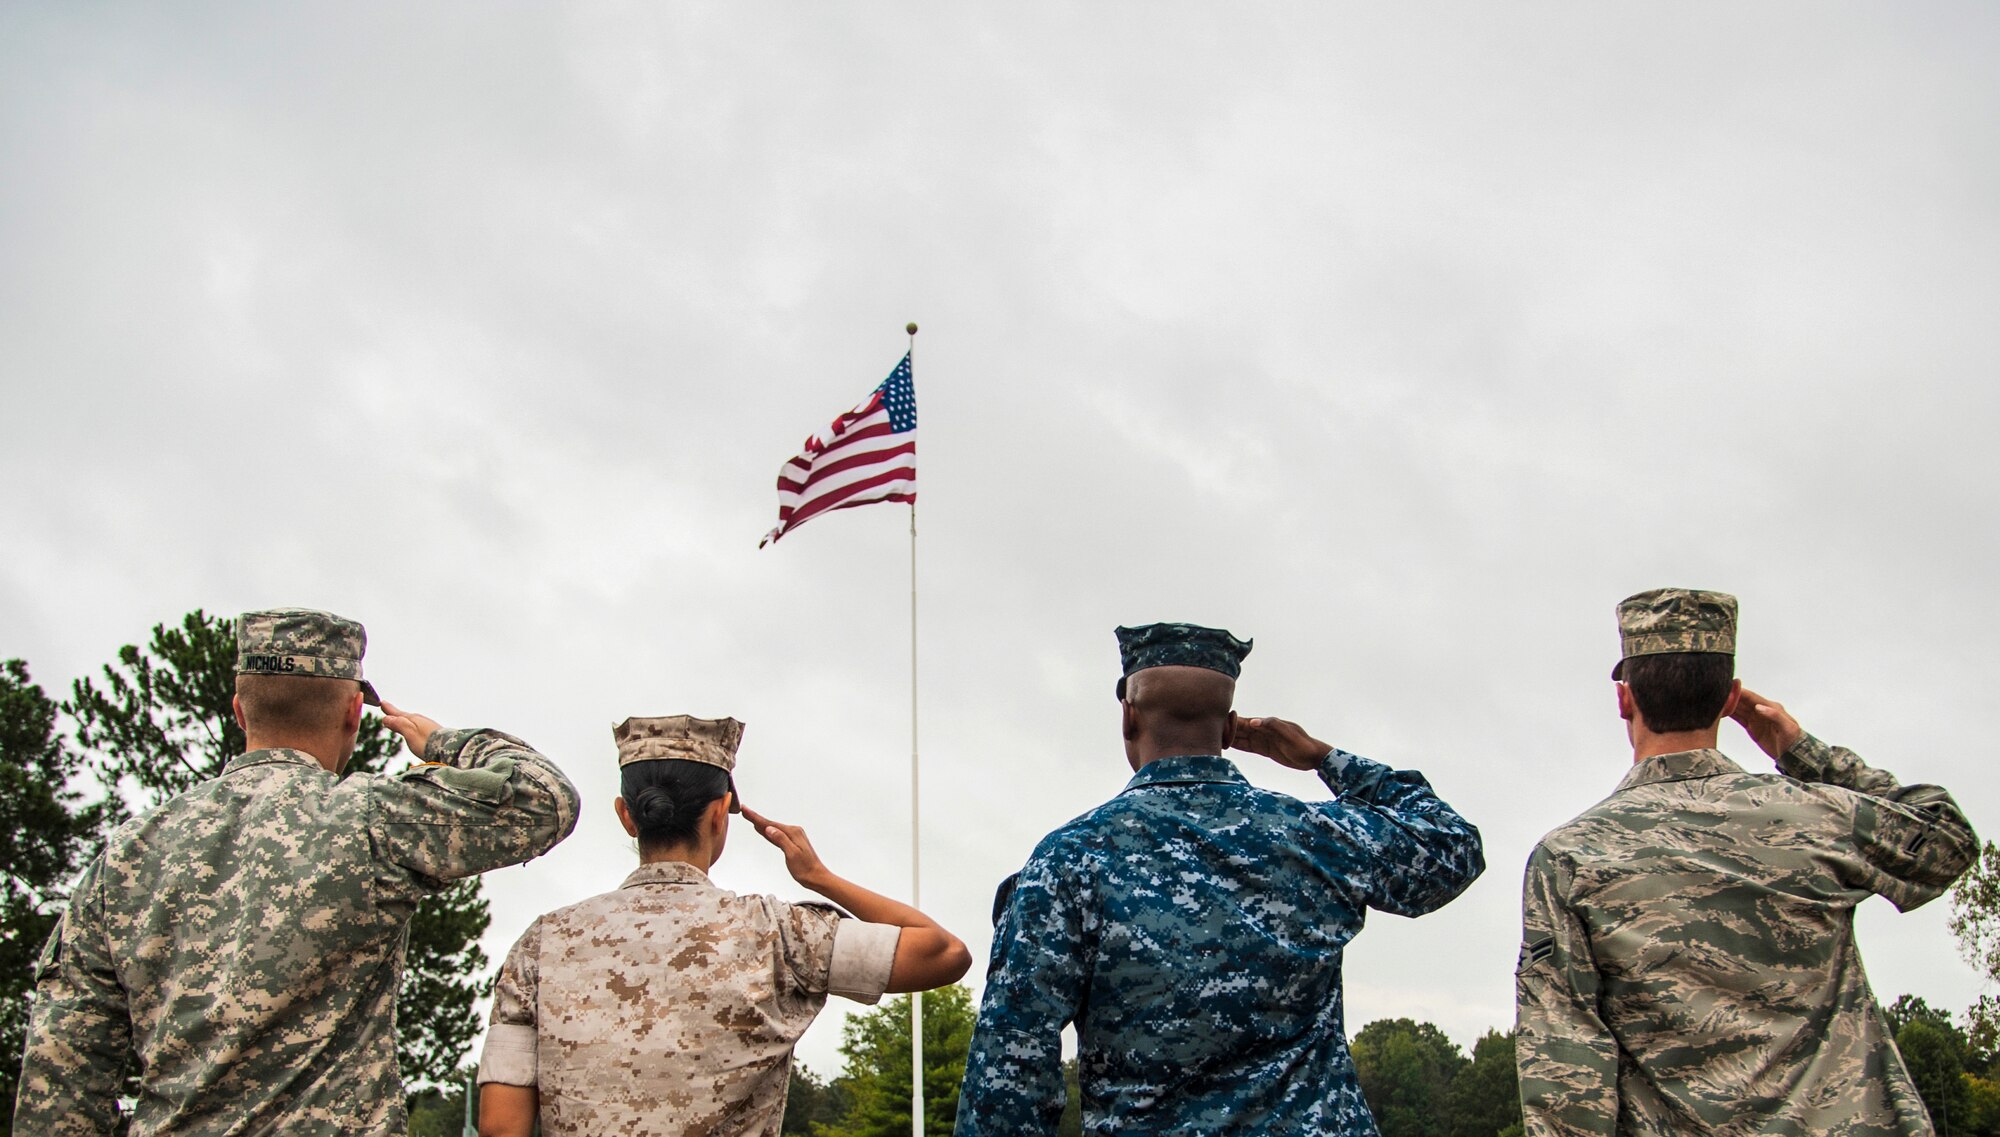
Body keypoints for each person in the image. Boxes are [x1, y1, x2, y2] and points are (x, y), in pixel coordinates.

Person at [16, 607, 580, 1136]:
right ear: (353, 714)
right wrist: (443, 742)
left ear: (240, 711)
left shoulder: (126, 856)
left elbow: (63, 1072)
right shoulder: (370, 820)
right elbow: (544, 797)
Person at [955, 622, 1486, 1135]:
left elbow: (1011, 1066)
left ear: (1128, 719)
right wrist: (1324, 758)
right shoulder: (1315, 836)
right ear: (1230, 729)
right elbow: (1451, 846)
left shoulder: (1067, 862)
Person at [1515, 588, 1979, 1135]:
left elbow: (1566, 1068)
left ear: (1625, 699)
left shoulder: (1572, 858)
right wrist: (1801, 752)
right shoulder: (1815, 816)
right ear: (1730, 698)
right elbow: (1945, 840)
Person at [475, 714, 972, 1137]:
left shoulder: (542, 943)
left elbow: (501, 1127)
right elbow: (943, 952)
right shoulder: (779, 932)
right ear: (719, 814)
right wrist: (819, 877)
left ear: (627, 816)